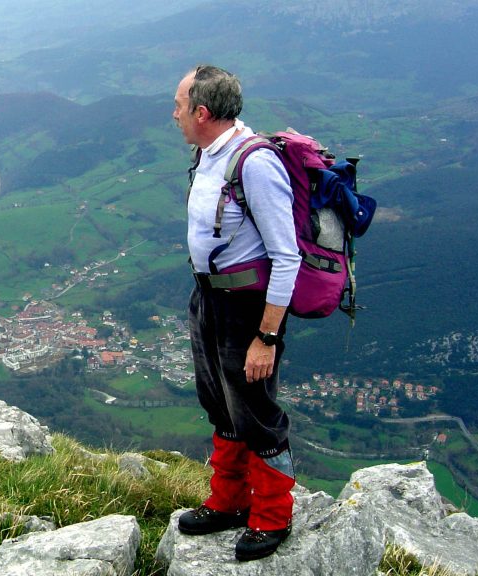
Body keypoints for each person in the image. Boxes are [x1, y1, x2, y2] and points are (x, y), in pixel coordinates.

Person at [171, 64, 300, 561]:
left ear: (202, 112)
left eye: (180, 106)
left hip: (248, 308)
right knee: (220, 403)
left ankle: (272, 516)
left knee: (256, 412)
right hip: (208, 298)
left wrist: (266, 336)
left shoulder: (254, 163)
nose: (175, 114)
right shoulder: (208, 155)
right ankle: (228, 501)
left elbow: (285, 256)